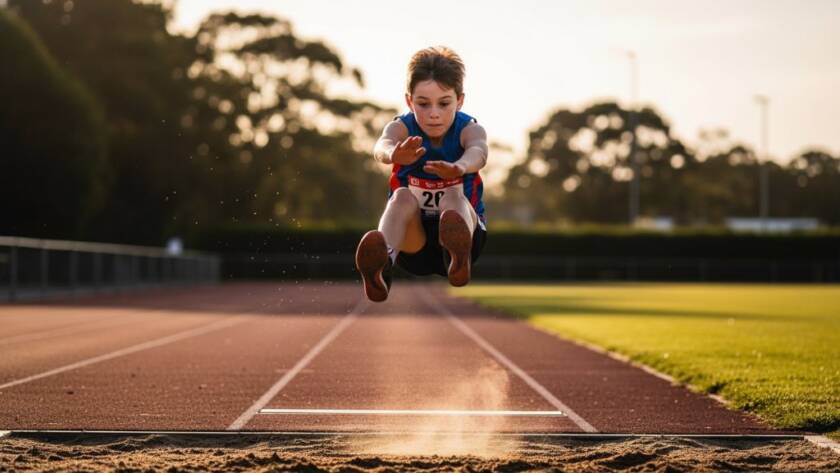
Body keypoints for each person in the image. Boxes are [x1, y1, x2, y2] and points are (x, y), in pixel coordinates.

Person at [355, 46, 488, 302]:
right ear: (409, 101)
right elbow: (380, 146)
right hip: (412, 240)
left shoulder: (468, 129)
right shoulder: (402, 127)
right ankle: (382, 268)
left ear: (460, 101)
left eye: (444, 103)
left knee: (452, 195)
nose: (434, 113)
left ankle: (458, 258)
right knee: (402, 197)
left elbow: (479, 152)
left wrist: (459, 166)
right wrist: (394, 154)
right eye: (423, 104)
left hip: (466, 234)